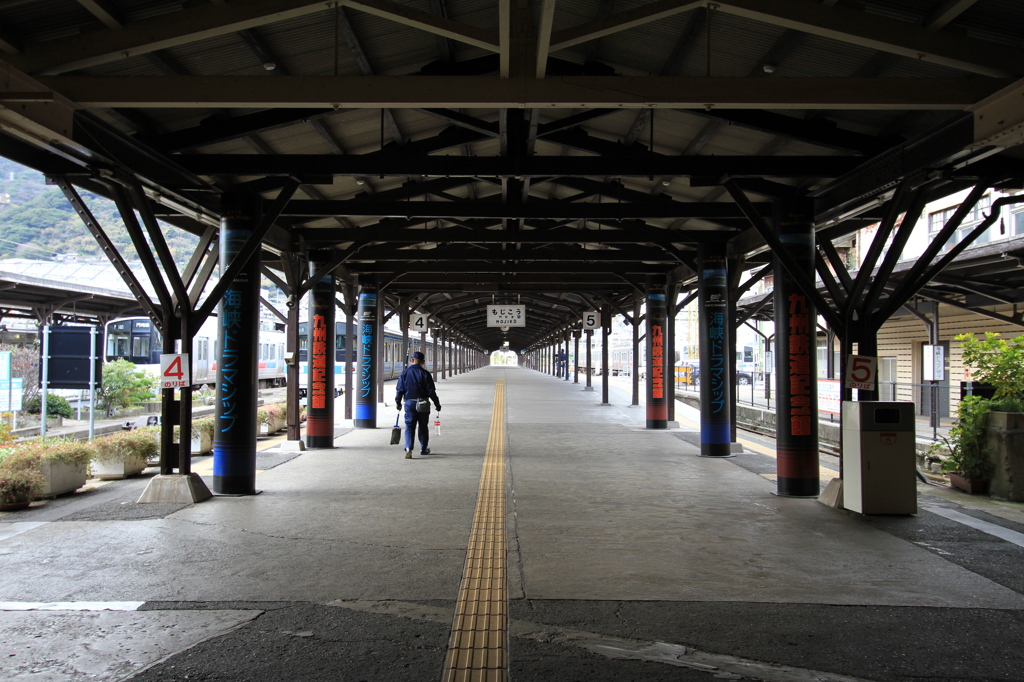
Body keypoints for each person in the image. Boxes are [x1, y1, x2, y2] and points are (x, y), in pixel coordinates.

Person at [395, 351, 441, 458]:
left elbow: (399, 390)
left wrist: (398, 403)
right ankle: (423, 448)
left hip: (409, 402)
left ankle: (408, 448)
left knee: (409, 426)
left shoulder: (404, 373)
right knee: (423, 426)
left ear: (412, 360)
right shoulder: (426, 374)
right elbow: (431, 392)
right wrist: (437, 404)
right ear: (423, 362)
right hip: (423, 403)